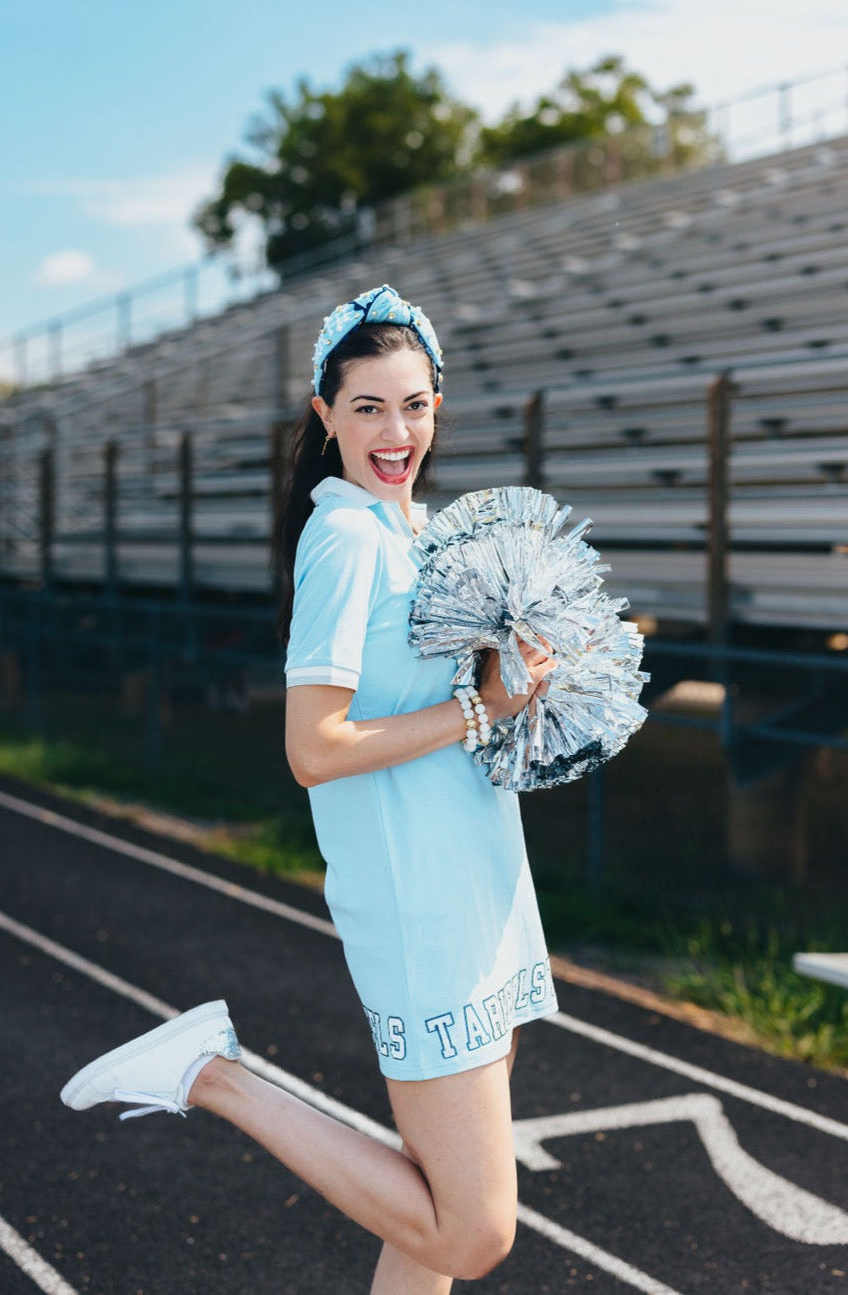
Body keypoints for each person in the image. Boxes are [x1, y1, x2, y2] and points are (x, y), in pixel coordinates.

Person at [60, 284, 559, 1292]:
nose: (396, 430)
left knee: (425, 1228)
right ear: (324, 415)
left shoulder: (417, 529)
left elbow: (442, 708)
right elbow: (313, 748)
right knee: (470, 1234)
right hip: (421, 905)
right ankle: (218, 1077)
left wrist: (516, 685)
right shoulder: (344, 539)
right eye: (369, 406)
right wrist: (478, 713)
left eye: (415, 405)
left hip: (482, 878)